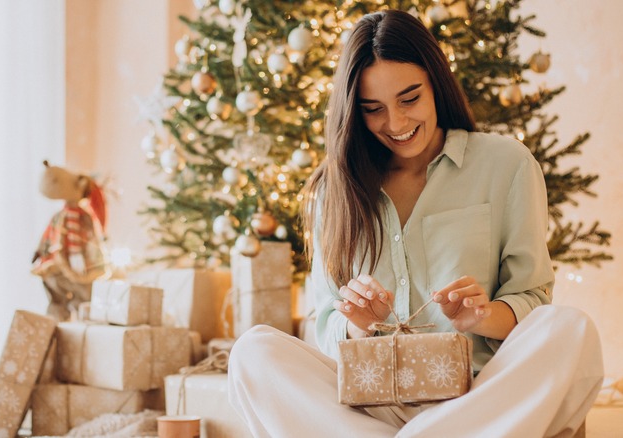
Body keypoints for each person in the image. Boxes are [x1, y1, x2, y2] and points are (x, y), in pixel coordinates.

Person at [228, 9, 603, 437]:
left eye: (410, 99)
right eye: (374, 109)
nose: (397, 123)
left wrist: (481, 316)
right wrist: (356, 323)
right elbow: (326, 328)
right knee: (253, 353)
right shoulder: (336, 190)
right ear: (354, 111)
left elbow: (533, 298)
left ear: (435, 85)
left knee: (570, 330)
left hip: (480, 398)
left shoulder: (506, 165)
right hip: (370, 408)